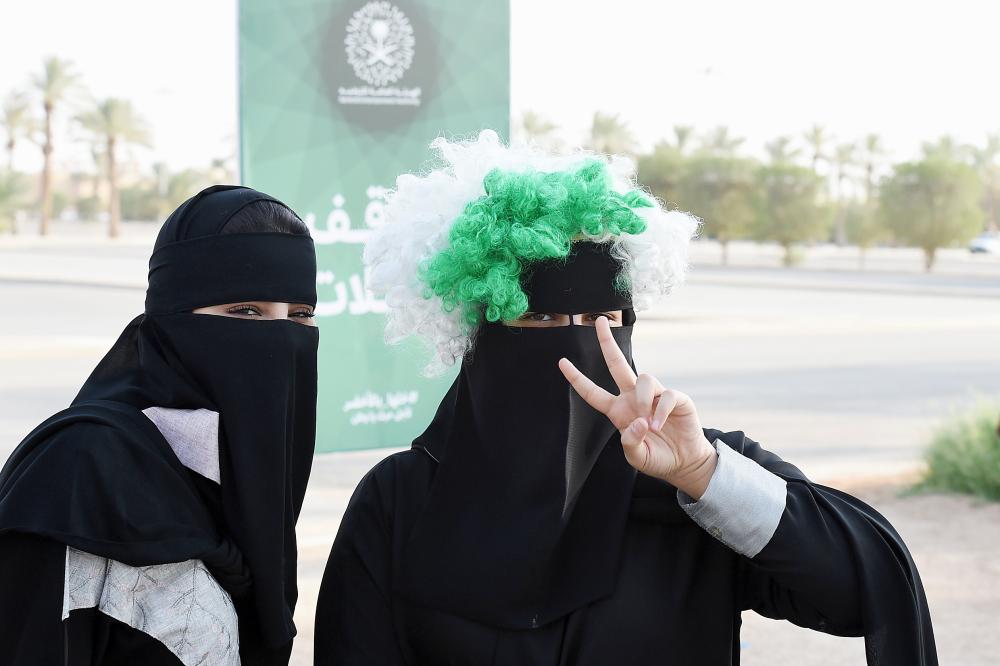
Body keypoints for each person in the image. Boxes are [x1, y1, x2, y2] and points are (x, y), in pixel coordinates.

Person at [314, 131, 937, 665]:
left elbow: (868, 587)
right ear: (478, 335)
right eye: (538, 323)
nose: (581, 346)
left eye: (603, 317)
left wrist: (704, 475)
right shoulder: (398, 504)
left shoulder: (693, 482)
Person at [0, 185, 319, 665]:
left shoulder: (240, 479)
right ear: (173, 318)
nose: (279, 338)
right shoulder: (81, 473)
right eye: (245, 311)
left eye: (299, 316)